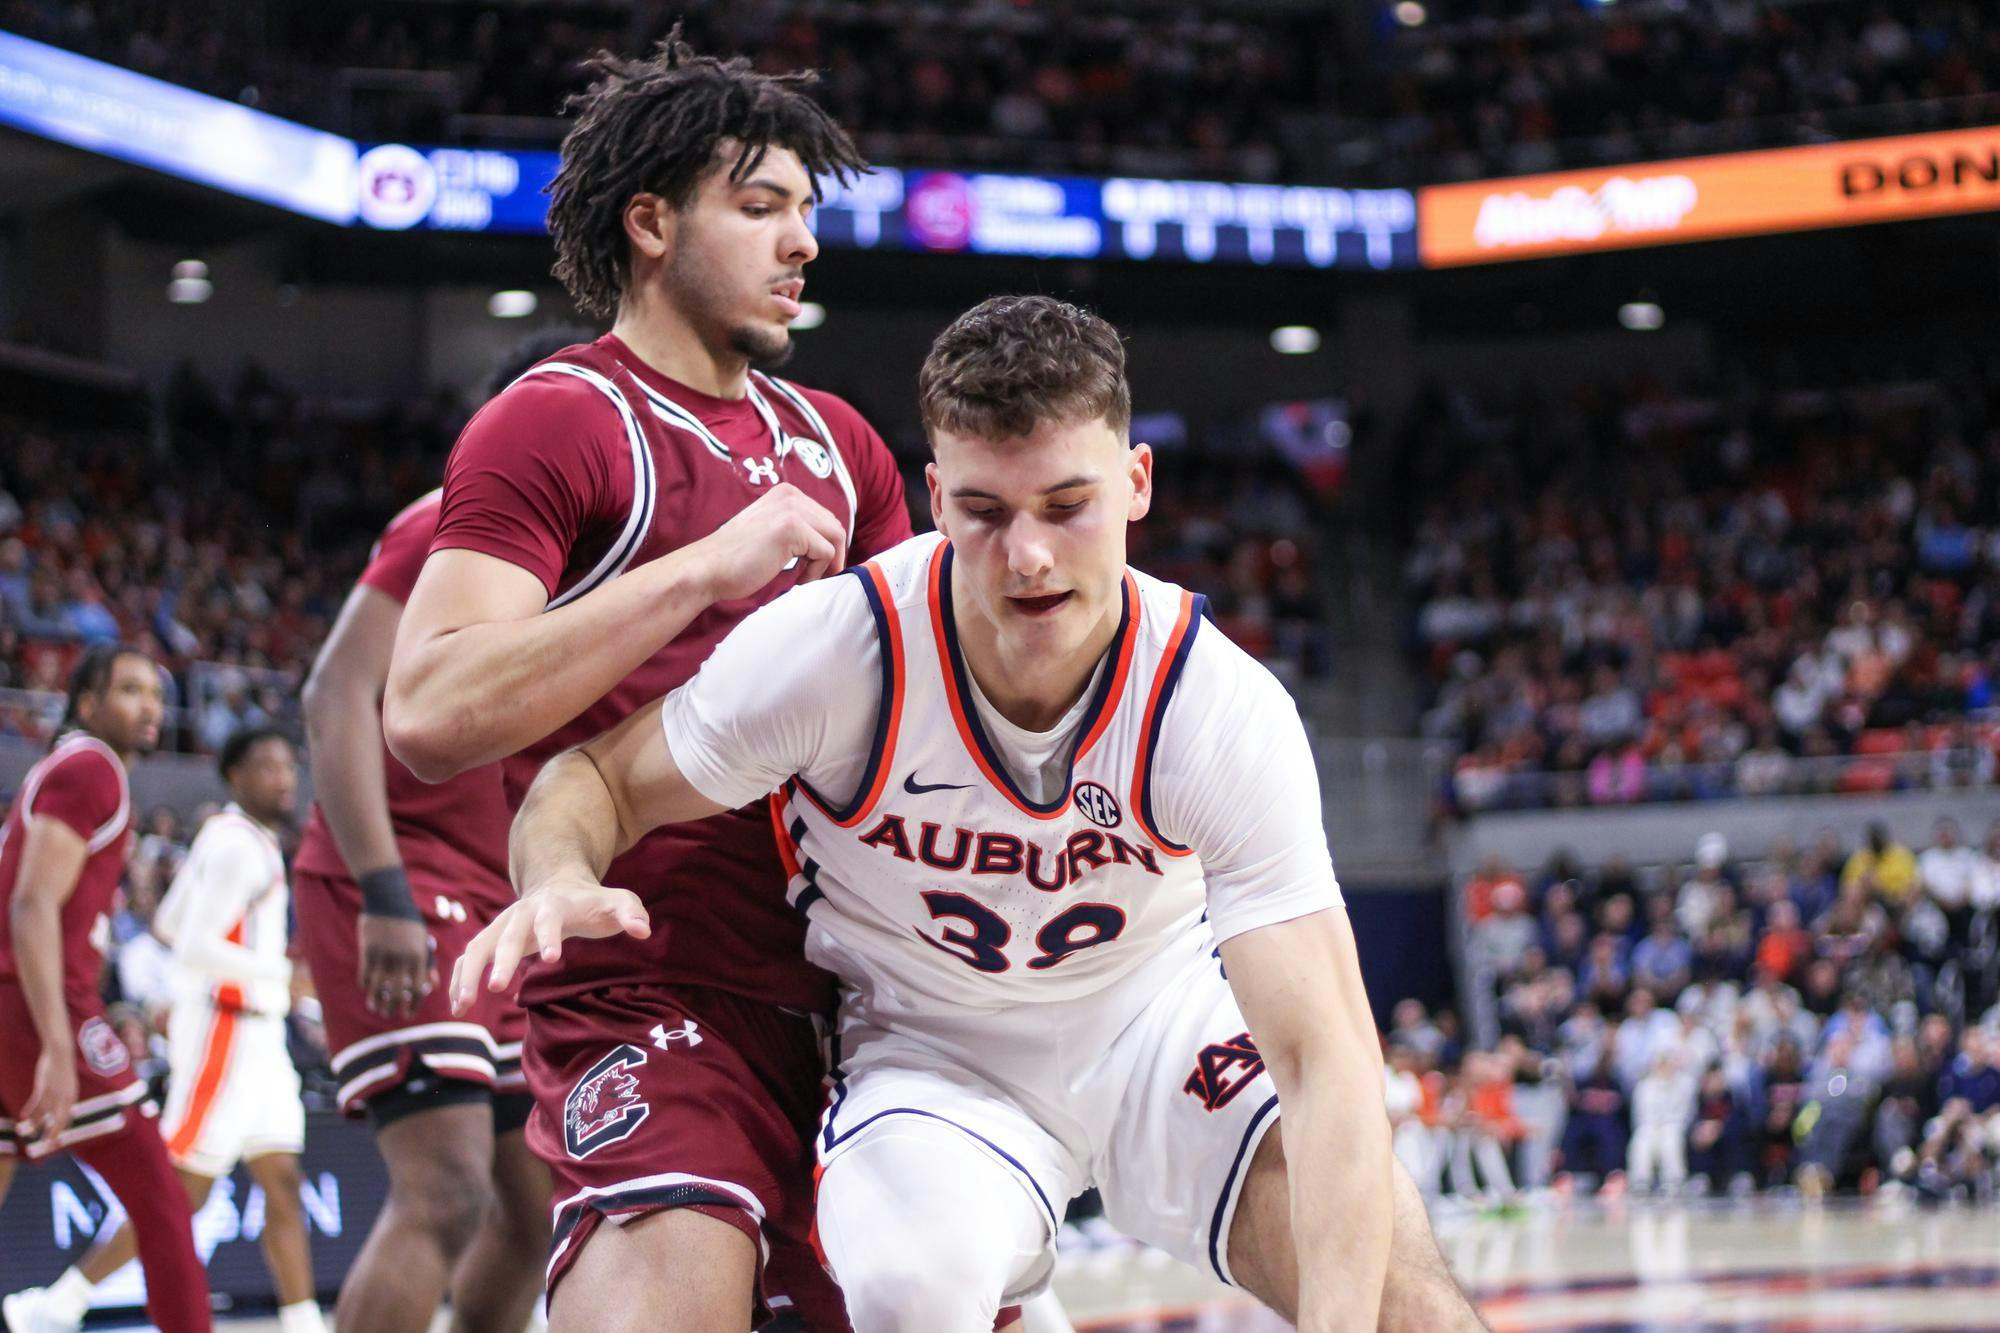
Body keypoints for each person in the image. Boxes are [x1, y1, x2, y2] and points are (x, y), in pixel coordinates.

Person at [455, 296, 1486, 1331]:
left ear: (1134, 485)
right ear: (935, 499)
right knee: (913, 1286)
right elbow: (593, 781)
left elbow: (1325, 1062)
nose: (1027, 555)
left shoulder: (1215, 703)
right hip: (932, 1057)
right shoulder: (839, 654)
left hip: (1152, 1026)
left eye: (1065, 504)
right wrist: (558, 874)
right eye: (987, 512)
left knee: (1404, 1302)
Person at [383, 31, 914, 1331]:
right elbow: (429, 712)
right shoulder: (560, 417)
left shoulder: (841, 444)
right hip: (648, 977)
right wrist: (696, 573)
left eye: (806, 213)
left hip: (858, 998)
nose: (804, 244)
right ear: (652, 223)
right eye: (762, 207)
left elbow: (919, 709)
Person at [289, 333, 589, 1333]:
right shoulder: (449, 527)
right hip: (402, 882)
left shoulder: (584, 560)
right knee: (446, 1192)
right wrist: (381, 890)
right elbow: (334, 693)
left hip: (496, 901)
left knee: (535, 1206)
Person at [10, 729, 327, 1333]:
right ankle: (58, 1305)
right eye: (267, 767)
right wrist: (283, 973)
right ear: (234, 776)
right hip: (226, 1034)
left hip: (257, 1037)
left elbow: (170, 923)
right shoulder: (237, 845)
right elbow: (195, 947)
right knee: (180, 1189)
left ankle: (302, 1319)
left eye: (289, 766)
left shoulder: (231, 837)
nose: (284, 779)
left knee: (281, 1178)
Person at [0, 646, 210, 1333]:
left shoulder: (65, 768)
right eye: (129, 689)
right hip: (36, 1005)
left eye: (156, 691)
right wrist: (59, 1045)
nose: (150, 704)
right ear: (86, 702)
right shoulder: (93, 766)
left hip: (17, 999)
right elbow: (31, 906)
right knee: (159, 1195)